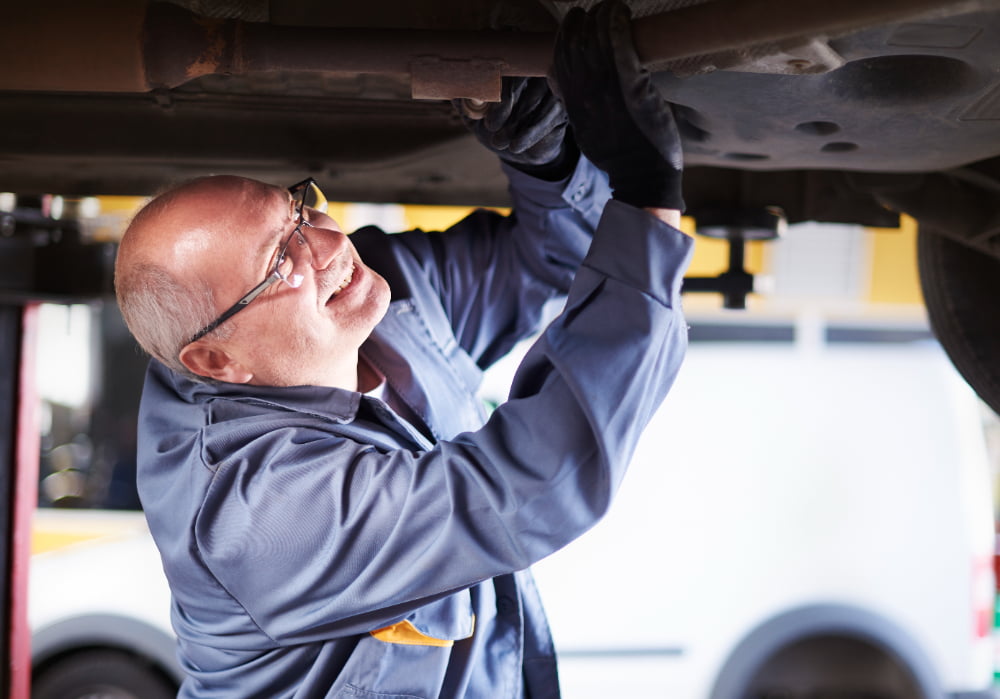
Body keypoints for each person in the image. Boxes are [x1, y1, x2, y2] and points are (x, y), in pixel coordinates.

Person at [114, 3, 693, 697]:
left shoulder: (374, 295)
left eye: (300, 209)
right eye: (280, 263)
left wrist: (548, 158)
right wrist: (648, 189)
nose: (331, 243)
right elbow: (525, 488)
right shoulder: (256, 514)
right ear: (216, 362)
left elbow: (554, 265)